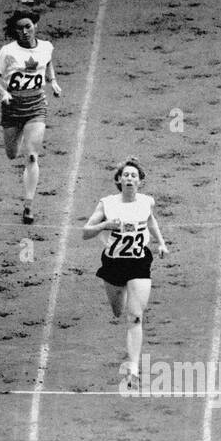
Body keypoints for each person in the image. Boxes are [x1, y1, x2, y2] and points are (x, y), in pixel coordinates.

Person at [82, 158, 168, 390]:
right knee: (117, 310)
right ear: (119, 180)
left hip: (139, 263)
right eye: (126, 175)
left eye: (134, 175)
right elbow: (85, 232)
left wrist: (160, 243)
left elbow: (151, 222)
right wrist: (104, 225)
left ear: (140, 181)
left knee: (135, 317)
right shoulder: (107, 204)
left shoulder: (146, 202)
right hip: (113, 264)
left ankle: (133, 369)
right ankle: (121, 300)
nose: (130, 178)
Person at [0, 8, 61, 225]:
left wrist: (53, 82)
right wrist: (3, 93)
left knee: (31, 156)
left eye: (28, 26)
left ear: (35, 26)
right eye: (19, 28)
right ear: (14, 31)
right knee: (12, 154)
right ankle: (20, 136)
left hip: (36, 106)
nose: (24, 31)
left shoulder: (46, 47)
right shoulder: (7, 51)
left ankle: (28, 206)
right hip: (12, 107)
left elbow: (47, 64)